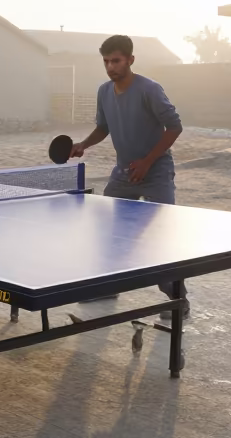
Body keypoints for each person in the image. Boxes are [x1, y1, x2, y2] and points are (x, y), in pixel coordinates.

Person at [69, 34, 188, 317]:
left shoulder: (150, 89)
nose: (111, 66)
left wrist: (148, 162)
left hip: (156, 171)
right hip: (123, 173)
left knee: (160, 237)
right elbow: (103, 127)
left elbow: (174, 127)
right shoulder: (103, 91)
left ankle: (177, 300)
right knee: (111, 233)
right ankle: (108, 287)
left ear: (130, 60)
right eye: (106, 61)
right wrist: (84, 144)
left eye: (116, 60)